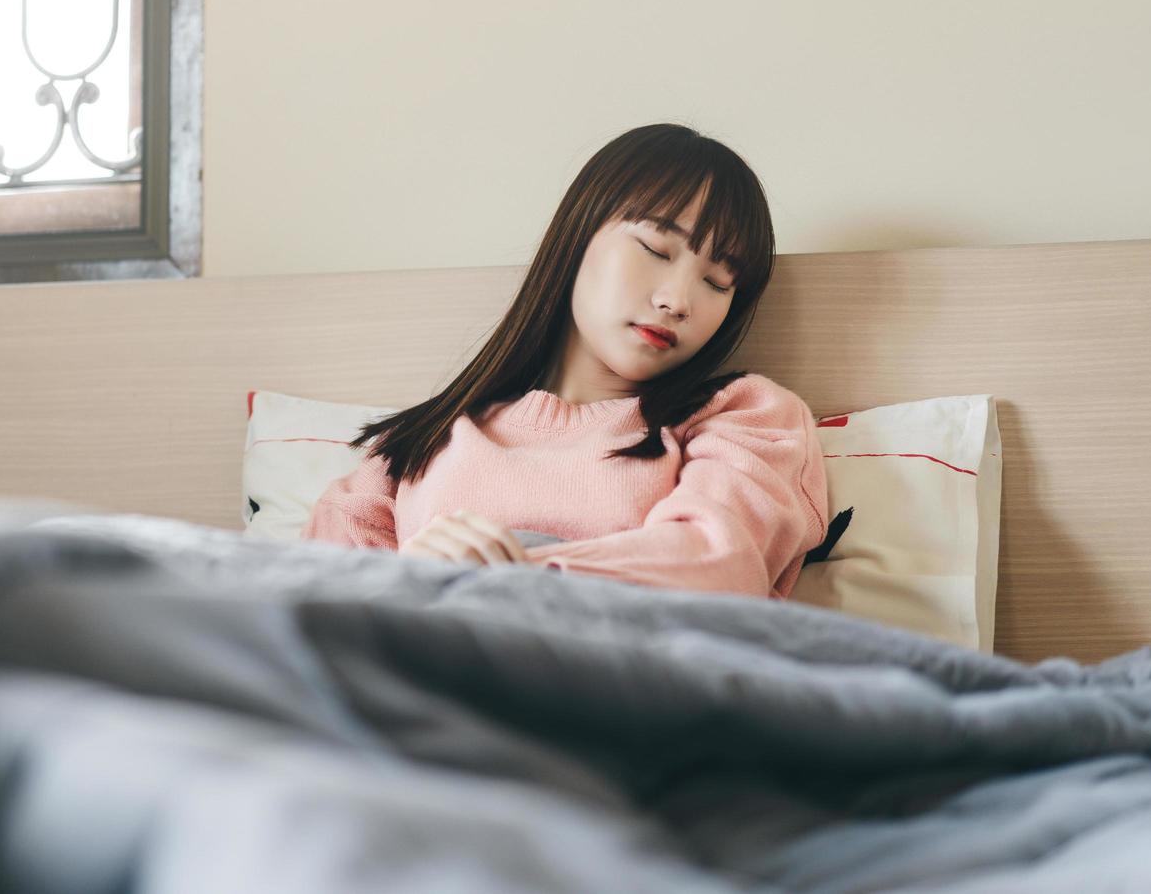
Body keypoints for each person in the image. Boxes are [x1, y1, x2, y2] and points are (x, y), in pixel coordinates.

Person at [300, 122, 829, 600]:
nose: (678, 301)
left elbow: (718, 569)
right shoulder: (414, 444)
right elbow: (316, 616)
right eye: (656, 249)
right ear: (579, 234)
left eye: (718, 282)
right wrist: (405, 585)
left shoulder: (744, 417)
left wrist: (495, 580)